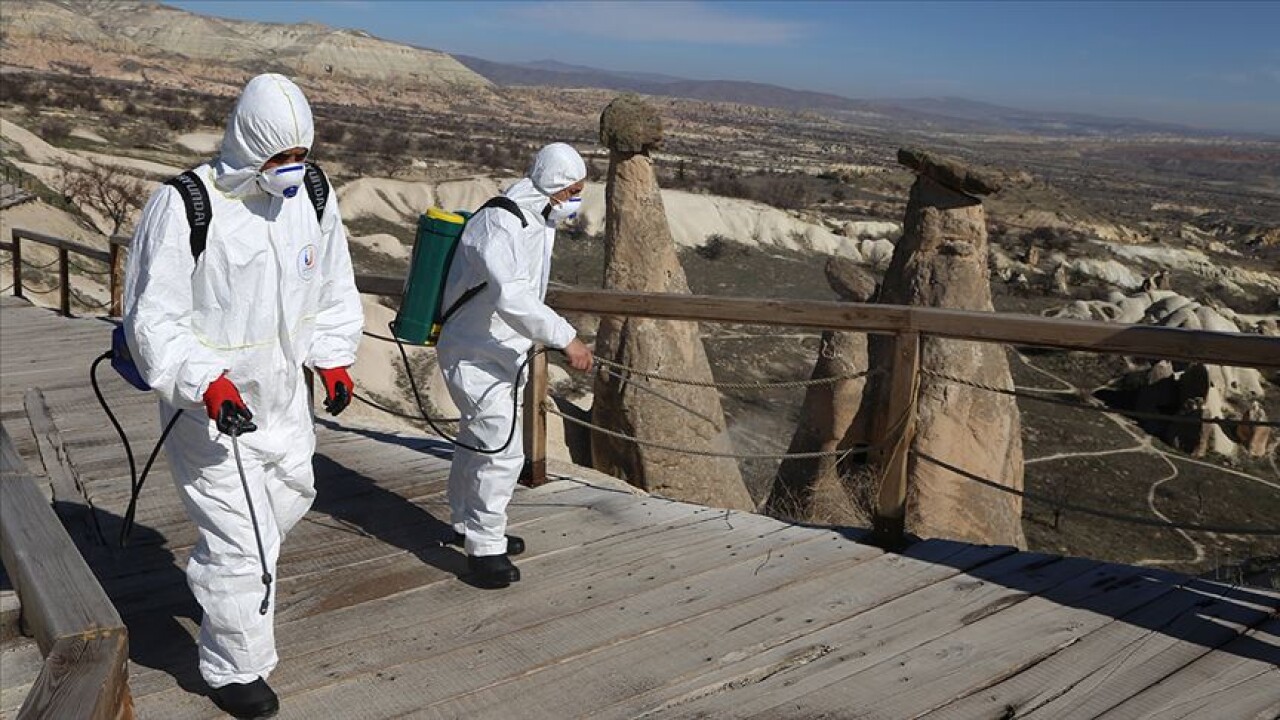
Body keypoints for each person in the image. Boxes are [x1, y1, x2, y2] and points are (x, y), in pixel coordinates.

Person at [123, 73, 363, 719]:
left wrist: (334, 357)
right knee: (244, 545)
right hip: (211, 411)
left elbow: (334, 282)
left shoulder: (311, 195)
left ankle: (225, 590)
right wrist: (208, 382)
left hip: (285, 401)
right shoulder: (186, 206)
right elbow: (155, 317)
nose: (292, 169)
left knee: (288, 503)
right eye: (279, 157)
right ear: (249, 144)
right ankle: (237, 669)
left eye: (300, 155)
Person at [437, 142, 594, 588]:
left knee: (478, 442)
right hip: (474, 353)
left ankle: (469, 524)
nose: (576, 199)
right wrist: (567, 339)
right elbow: (513, 296)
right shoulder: (501, 223)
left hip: (498, 352)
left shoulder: (535, 219)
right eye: (574, 190)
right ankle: (485, 550)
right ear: (556, 186)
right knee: (503, 449)